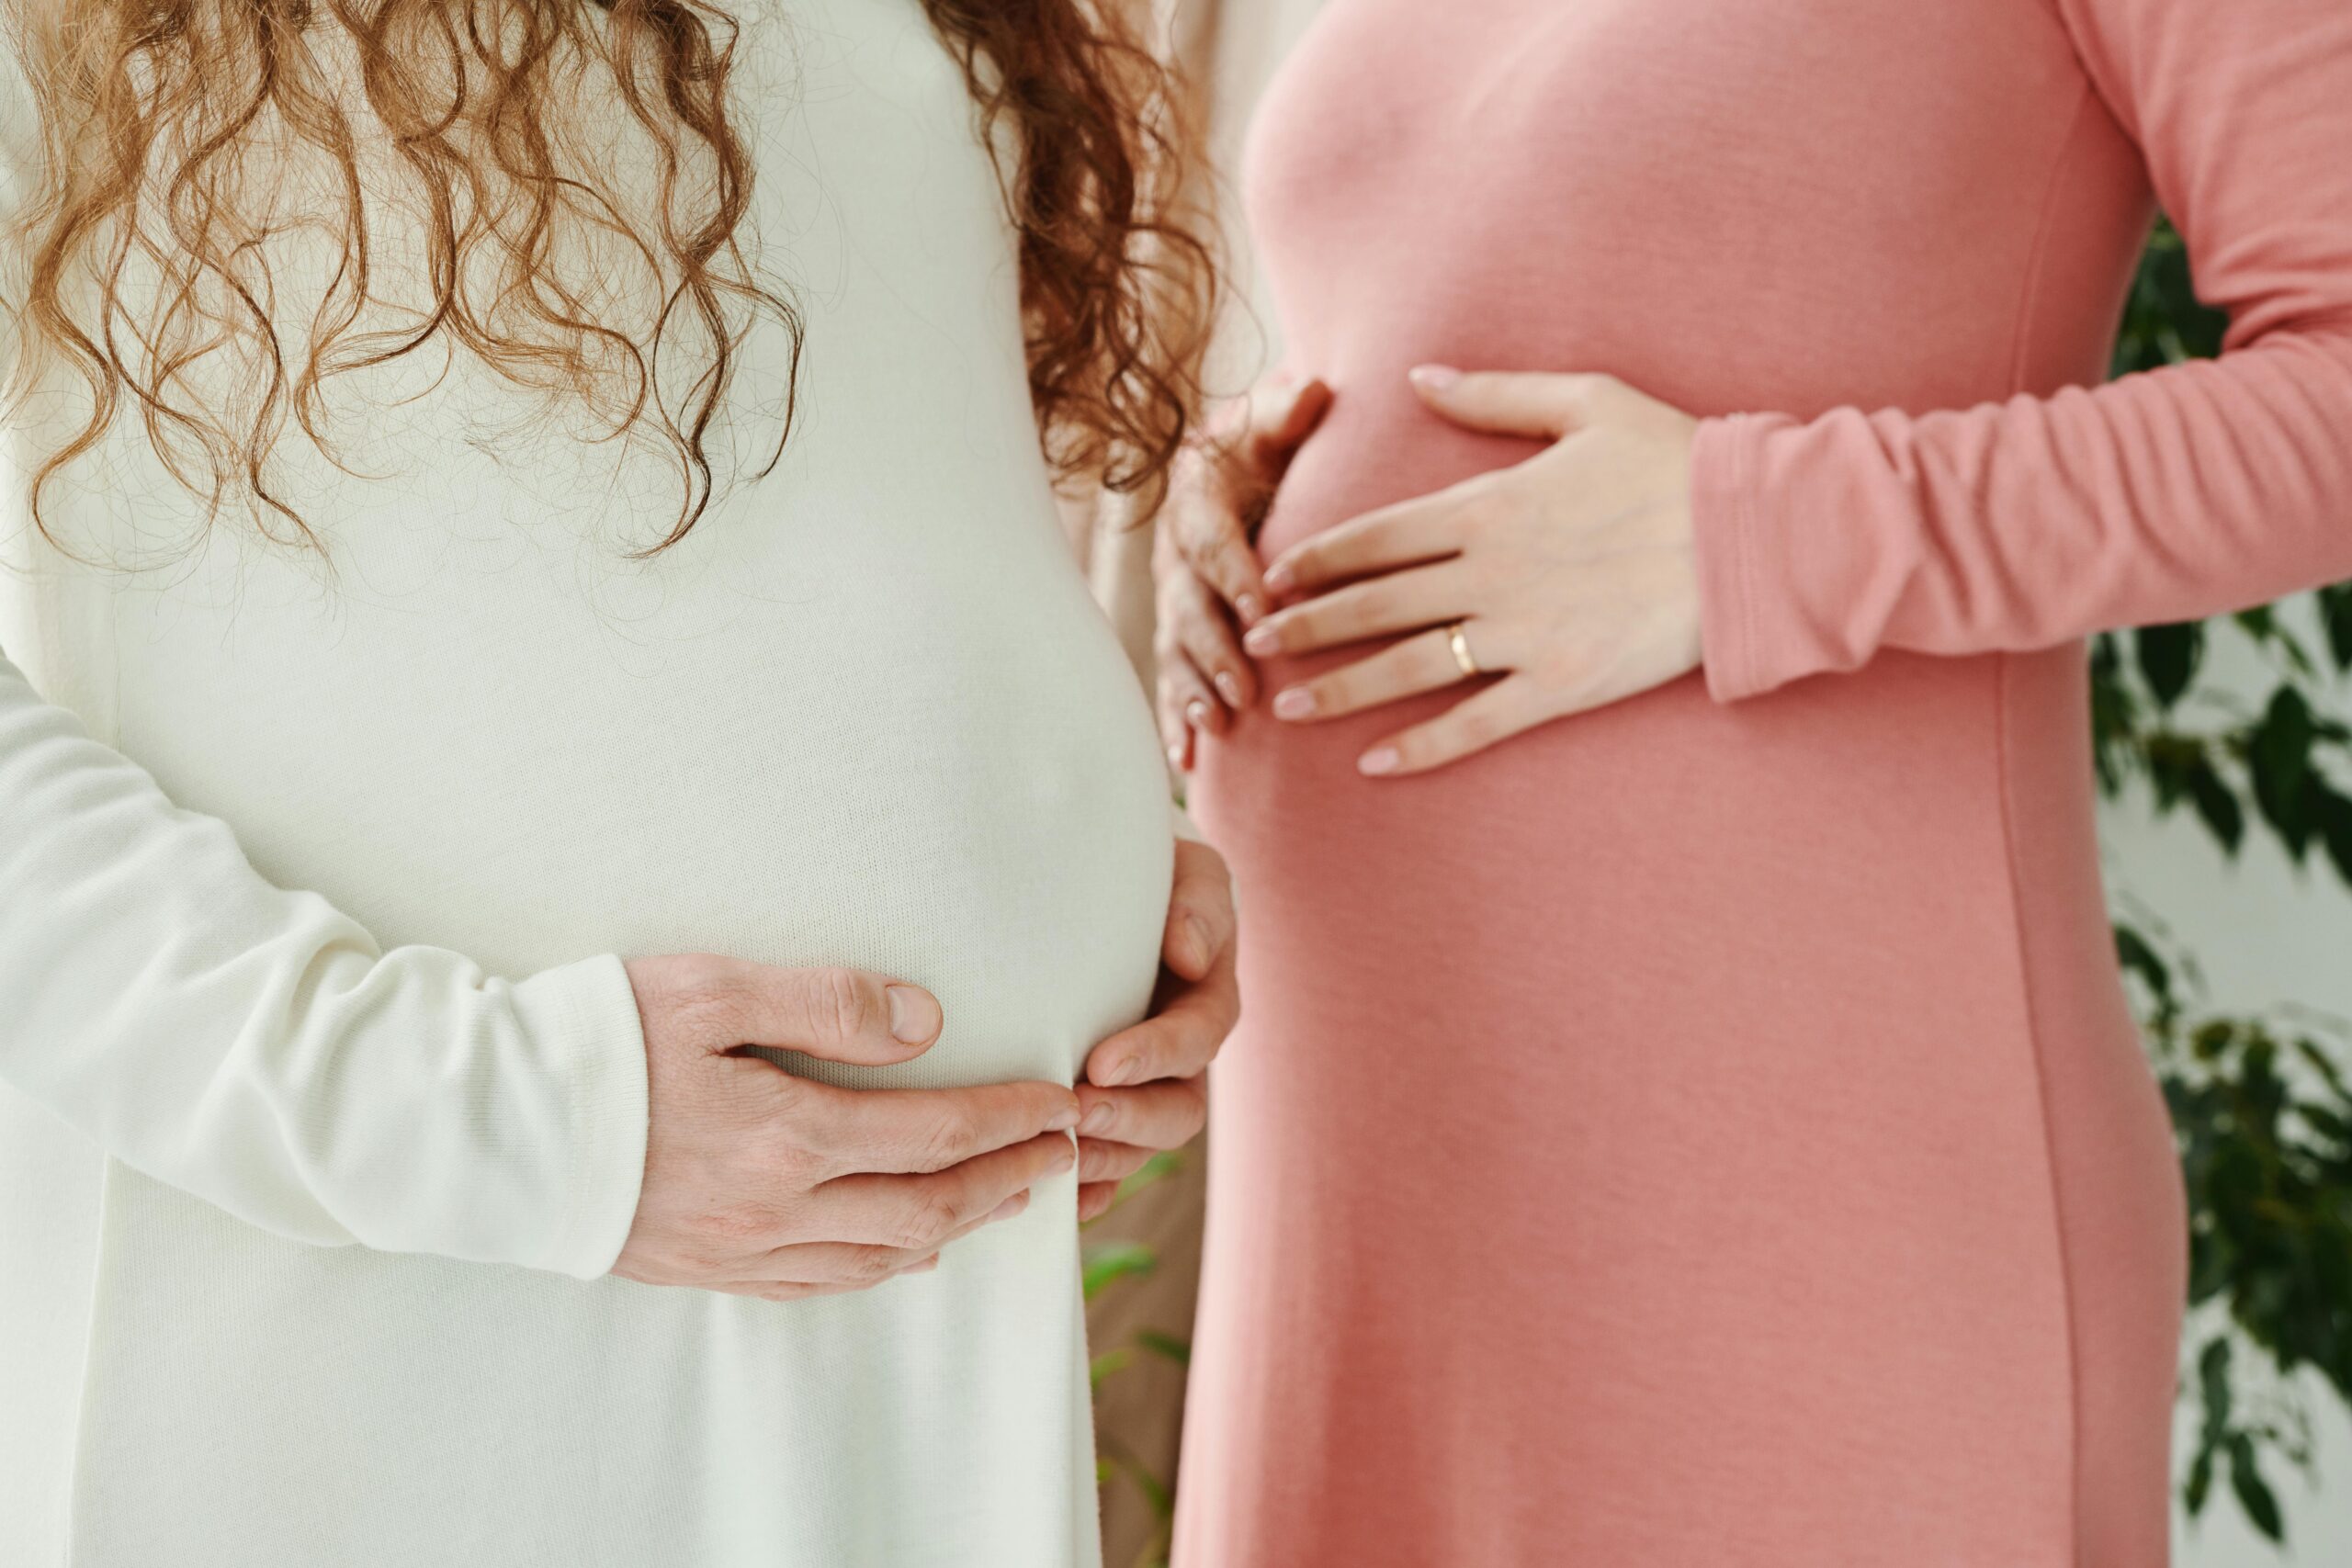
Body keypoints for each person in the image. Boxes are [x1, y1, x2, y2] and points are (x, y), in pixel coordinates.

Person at [0, 1, 1230, 1563]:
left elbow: (867, 494)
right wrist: (507, 1122)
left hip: (909, 1331)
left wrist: (1105, 856)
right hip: (415, 1313)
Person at [1153, 0, 2352, 1562]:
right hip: (1357, 1150)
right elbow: (1515, 290)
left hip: (1790, 1149)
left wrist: (1759, 531)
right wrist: (1253, 468)